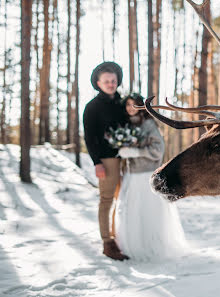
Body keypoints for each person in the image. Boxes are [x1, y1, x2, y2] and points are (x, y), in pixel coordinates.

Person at [115, 93, 186, 261]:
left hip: (145, 175)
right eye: (127, 105)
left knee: (147, 212)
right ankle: (131, 244)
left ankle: (149, 245)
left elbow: (157, 150)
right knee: (131, 211)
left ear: (141, 106)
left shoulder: (149, 125)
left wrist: (136, 152)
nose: (130, 108)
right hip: (131, 175)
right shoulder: (126, 126)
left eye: (134, 104)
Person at [83, 61, 129, 261]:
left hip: (128, 158)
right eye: (106, 81)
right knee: (107, 200)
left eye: (113, 80)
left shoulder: (123, 103)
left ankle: (121, 235)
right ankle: (107, 242)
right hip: (106, 160)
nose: (111, 84)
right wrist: (97, 162)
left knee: (125, 199)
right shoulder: (92, 107)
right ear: (98, 83)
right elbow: (89, 137)